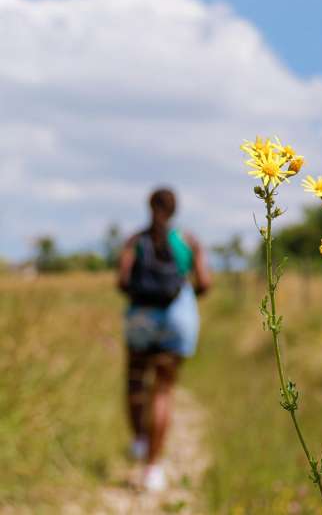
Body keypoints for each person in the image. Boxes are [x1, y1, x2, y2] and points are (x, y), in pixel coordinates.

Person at [117, 188, 211, 491]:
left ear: (149, 206)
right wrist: (184, 296)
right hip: (177, 317)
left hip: (141, 318)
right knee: (162, 391)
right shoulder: (189, 241)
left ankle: (140, 441)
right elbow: (205, 283)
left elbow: (121, 281)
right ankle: (153, 468)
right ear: (175, 210)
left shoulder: (135, 240)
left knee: (135, 382)